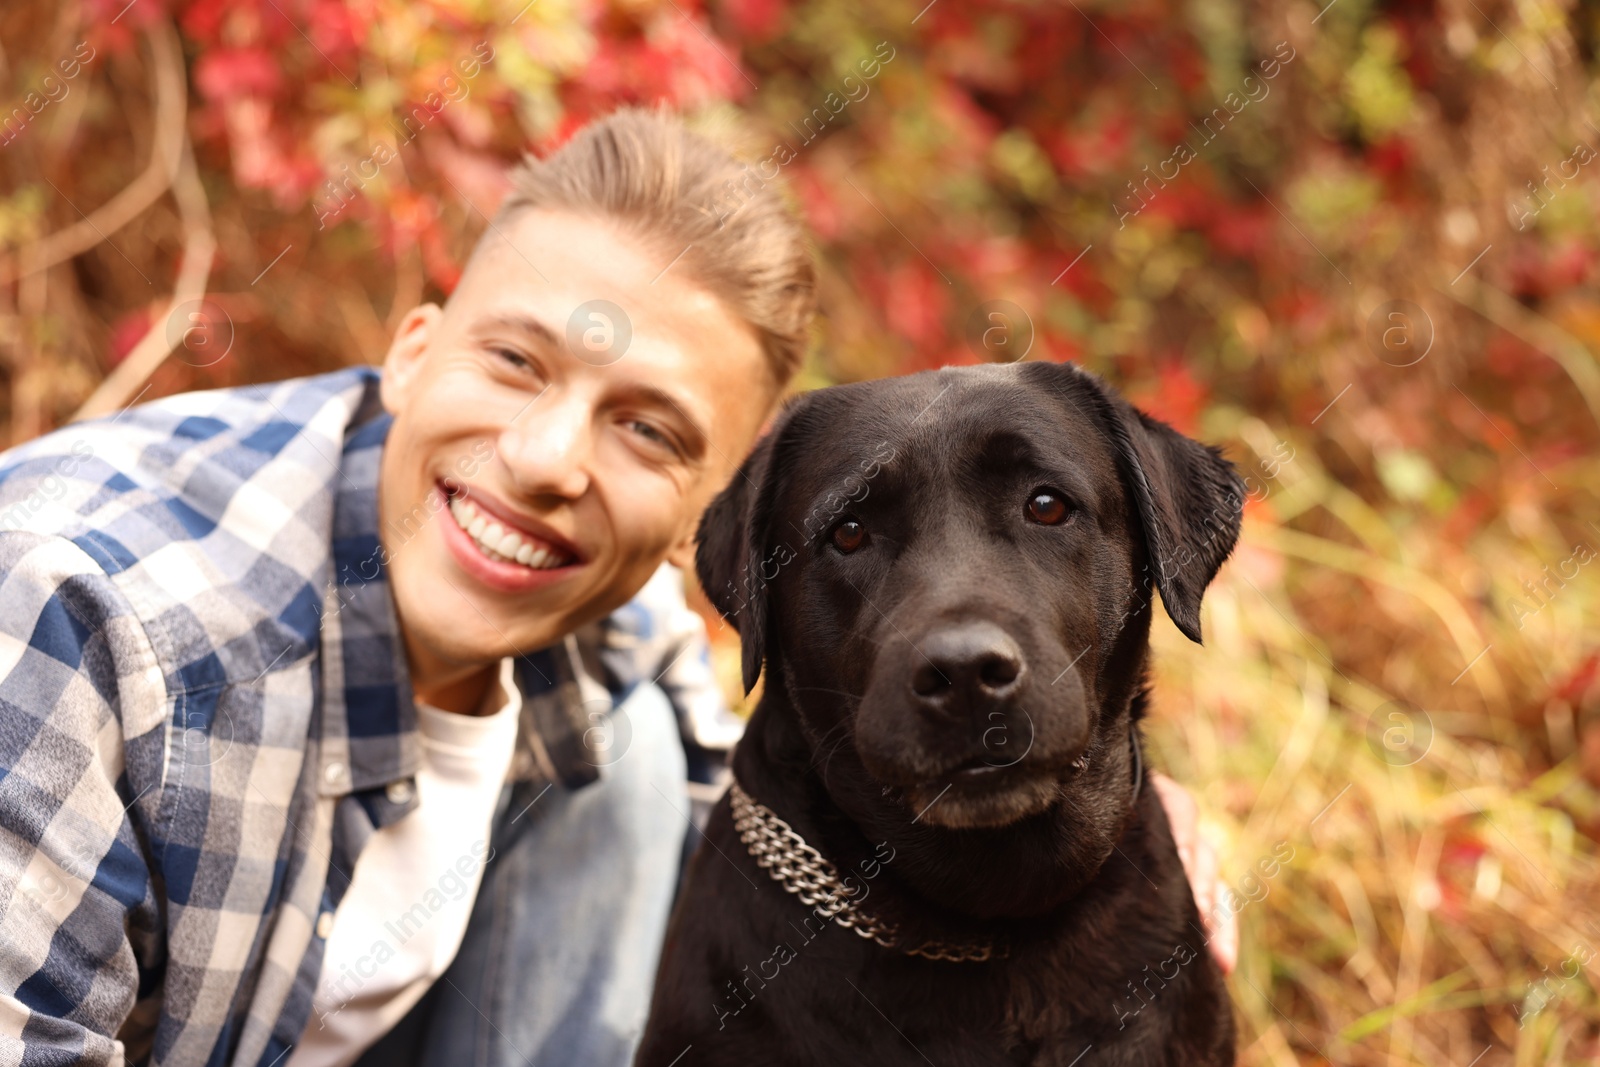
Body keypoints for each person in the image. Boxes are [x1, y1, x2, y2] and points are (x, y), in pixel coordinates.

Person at [0, 107, 1232, 1067]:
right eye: (513, 360)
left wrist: (1100, 787)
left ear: (709, 512)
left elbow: (771, 798)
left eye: (647, 429)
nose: (544, 463)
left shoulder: (599, 612)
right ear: (413, 347)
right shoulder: (76, 614)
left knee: (632, 747)